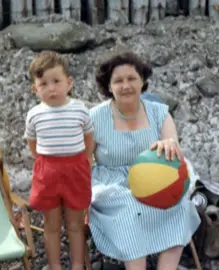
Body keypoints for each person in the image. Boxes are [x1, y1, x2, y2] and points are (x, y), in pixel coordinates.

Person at [87, 51, 201, 270]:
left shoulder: (159, 112)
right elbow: (83, 161)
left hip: (156, 178)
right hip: (113, 183)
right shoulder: (95, 117)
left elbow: (173, 144)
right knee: (131, 209)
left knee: (180, 205)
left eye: (132, 78)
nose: (126, 85)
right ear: (109, 87)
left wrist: (169, 144)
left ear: (142, 82)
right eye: (118, 81)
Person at [24, 50, 94, 270]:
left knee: (74, 224)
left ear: (69, 82)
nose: (51, 88)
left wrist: (84, 160)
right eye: (43, 83)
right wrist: (45, 162)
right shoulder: (34, 114)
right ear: (35, 89)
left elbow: (88, 137)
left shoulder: (80, 110)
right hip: (48, 171)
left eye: (56, 81)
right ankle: (55, 265)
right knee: (51, 225)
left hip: (75, 169)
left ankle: (77, 264)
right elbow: (33, 144)